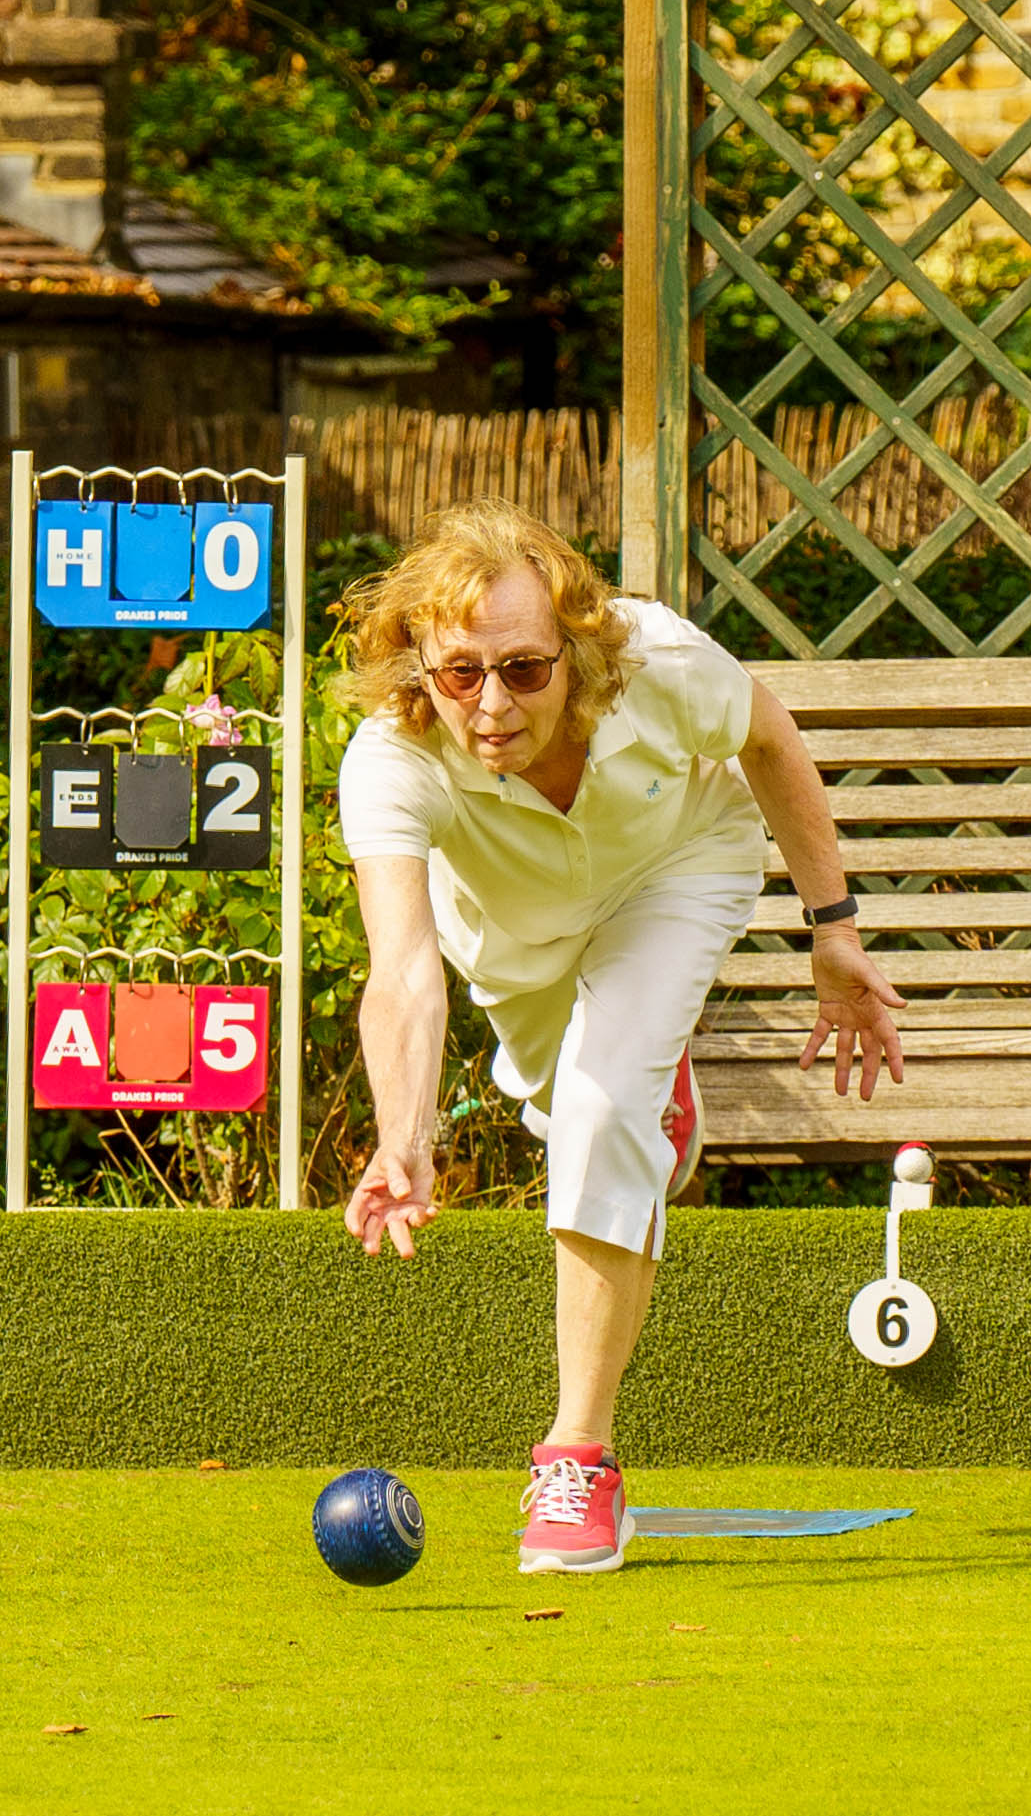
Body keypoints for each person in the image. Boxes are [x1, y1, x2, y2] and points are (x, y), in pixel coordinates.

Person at [332, 500, 908, 1572]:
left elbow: (771, 740)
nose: (493, 703)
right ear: (420, 665)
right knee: (586, 1112)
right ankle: (650, 1105)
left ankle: (577, 1460)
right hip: (515, 941)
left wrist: (834, 934)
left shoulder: (659, 662)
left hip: (675, 870)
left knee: (600, 1113)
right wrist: (402, 1135)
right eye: (462, 672)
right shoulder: (389, 761)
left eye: (523, 668)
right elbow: (405, 967)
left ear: (573, 649)